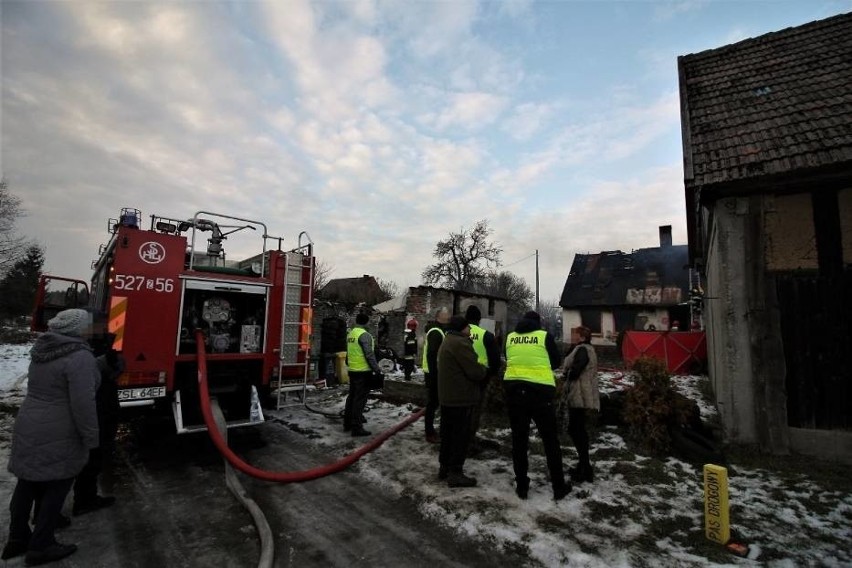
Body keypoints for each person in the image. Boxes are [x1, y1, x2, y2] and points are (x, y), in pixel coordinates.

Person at [3, 309, 100, 565]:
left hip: (30, 422)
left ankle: (17, 537)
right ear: (77, 330)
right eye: (88, 326)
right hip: (59, 426)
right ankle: (42, 544)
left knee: (28, 481)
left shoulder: (43, 350)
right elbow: (83, 403)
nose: (91, 329)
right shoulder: (79, 356)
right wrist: (91, 436)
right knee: (58, 484)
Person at [503, 310, 570, 501]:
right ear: (538, 323)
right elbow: (556, 362)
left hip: (515, 393)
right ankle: (558, 487)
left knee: (519, 441)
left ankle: (522, 487)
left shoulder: (510, 338)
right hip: (541, 395)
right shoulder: (544, 336)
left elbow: (508, 358)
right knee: (550, 441)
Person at [72, 313, 122, 516]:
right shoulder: (78, 352)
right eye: (100, 325)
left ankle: (85, 496)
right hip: (95, 410)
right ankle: (82, 499)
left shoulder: (87, 346)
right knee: (90, 454)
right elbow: (87, 380)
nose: (104, 328)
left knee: (94, 454)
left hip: (101, 407)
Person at [437, 315, 486, 488]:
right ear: (461, 328)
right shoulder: (461, 344)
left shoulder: (448, 340)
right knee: (460, 436)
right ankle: (455, 473)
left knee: (448, 435)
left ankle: (444, 467)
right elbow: (475, 372)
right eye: (468, 327)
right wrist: (483, 369)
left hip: (448, 397)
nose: (471, 330)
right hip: (460, 398)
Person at [558, 326, 599, 483]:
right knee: (577, 429)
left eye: (574, 334)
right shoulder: (584, 348)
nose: (571, 336)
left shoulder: (582, 350)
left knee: (576, 430)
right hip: (581, 393)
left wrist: (566, 374)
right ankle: (583, 465)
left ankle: (585, 468)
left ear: (581, 336)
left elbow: (575, 371)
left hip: (579, 394)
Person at [464, 305, 500, 452]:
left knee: (461, 410)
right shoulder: (486, 335)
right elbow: (495, 361)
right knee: (475, 410)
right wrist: (489, 375)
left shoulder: (457, 333)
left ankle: (459, 438)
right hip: (480, 379)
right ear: (479, 320)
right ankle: (469, 441)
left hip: (460, 378)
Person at [343, 313, 383, 437]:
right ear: (367, 322)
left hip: (353, 370)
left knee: (352, 397)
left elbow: (349, 354)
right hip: (363, 372)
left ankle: (347, 423)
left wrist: (350, 364)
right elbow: (369, 354)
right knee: (359, 400)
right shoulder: (365, 335)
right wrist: (377, 369)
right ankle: (356, 427)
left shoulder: (351, 334)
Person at [422, 307, 450, 444]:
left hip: (434, 372)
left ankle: (431, 430)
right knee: (432, 404)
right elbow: (432, 354)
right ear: (439, 316)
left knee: (434, 403)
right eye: (446, 314)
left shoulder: (439, 330)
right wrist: (435, 374)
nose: (449, 316)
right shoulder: (436, 332)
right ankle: (429, 432)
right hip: (433, 373)